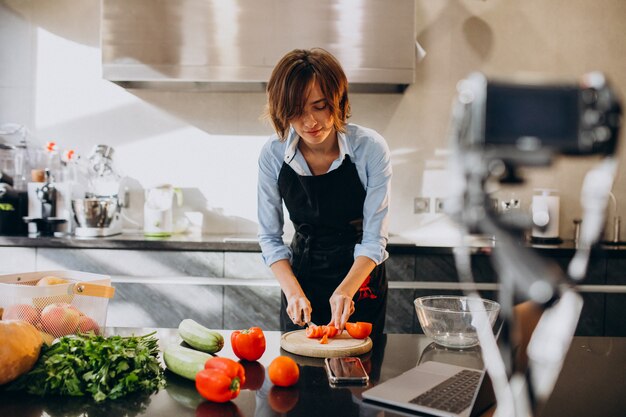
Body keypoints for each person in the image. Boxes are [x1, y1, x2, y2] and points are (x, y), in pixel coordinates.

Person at [257, 48, 392, 335]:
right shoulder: (273, 154)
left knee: (360, 374)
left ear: (338, 100)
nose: (310, 122)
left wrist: (346, 291)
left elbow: (374, 239)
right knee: (297, 373)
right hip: (301, 279)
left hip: (360, 280)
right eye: (296, 111)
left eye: (319, 106)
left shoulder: (370, 149)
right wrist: (293, 293)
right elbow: (270, 238)